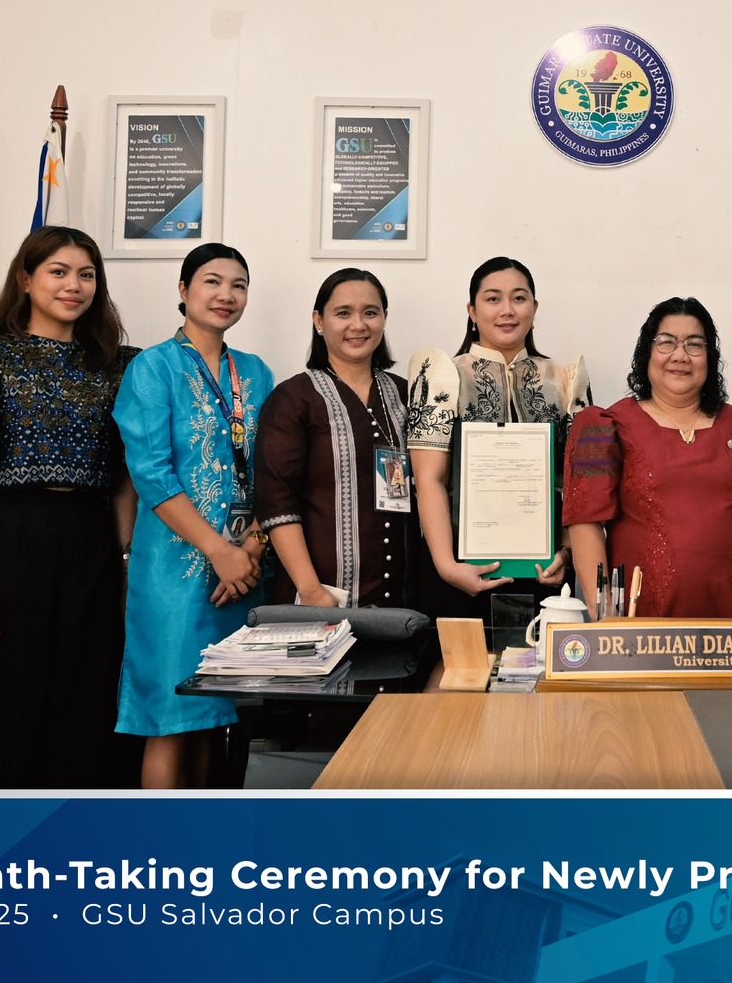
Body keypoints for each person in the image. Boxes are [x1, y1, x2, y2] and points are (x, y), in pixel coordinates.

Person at [0, 226, 138, 788]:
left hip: (91, 545)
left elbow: (123, 480)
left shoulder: (119, 363)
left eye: (87, 274)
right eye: (59, 271)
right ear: (25, 278)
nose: (74, 286)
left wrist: (125, 568)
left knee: (85, 707)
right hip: (6, 543)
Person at [113, 244, 275, 789]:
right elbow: (152, 475)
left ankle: (206, 849)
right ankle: (160, 859)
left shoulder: (254, 372)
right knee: (171, 716)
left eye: (238, 284)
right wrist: (220, 550)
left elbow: (272, 474)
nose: (226, 295)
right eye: (211, 281)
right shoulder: (151, 366)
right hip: (174, 572)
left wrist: (251, 549)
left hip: (246, 568)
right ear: (183, 291)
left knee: (217, 718)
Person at [564, 297, 732, 618]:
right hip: (638, 628)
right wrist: (604, 613)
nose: (680, 355)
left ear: (710, 357)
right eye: (666, 342)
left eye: (694, 344)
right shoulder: (609, 426)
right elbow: (586, 523)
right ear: (646, 353)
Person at [407, 257, 590, 619]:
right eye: (493, 299)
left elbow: (578, 481)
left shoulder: (564, 378)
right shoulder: (444, 374)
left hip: (544, 573)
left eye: (519, 298)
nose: (507, 310)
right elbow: (429, 479)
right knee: (458, 672)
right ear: (472, 310)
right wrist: (447, 567)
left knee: (537, 671)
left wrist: (566, 554)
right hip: (459, 569)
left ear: (534, 309)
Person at [254, 268, 416, 609]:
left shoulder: (406, 393)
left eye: (370, 312)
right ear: (319, 320)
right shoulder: (294, 398)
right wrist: (311, 590)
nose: (358, 325)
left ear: (384, 318)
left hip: (402, 603)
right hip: (320, 598)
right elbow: (277, 502)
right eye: (343, 313)